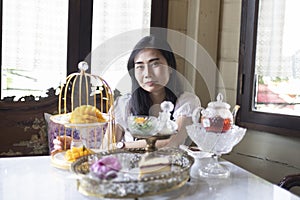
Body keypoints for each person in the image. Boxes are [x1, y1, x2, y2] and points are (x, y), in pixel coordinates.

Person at [53, 35, 201, 151]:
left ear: (170, 67)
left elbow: (172, 143)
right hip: (127, 176)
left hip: (169, 174)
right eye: (140, 67)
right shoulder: (124, 104)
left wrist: (122, 146)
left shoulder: (187, 102)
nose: (147, 74)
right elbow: (106, 148)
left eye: (155, 64)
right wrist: (76, 145)